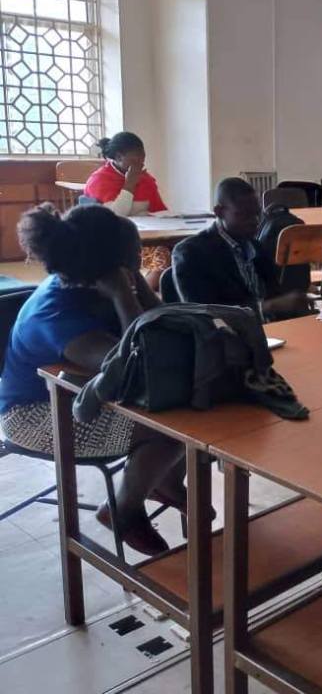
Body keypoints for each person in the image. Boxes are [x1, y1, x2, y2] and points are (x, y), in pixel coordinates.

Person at [0, 204, 184, 555]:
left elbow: (166, 328)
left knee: (195, 403)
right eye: (133, 258)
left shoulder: (86, 282)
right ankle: (122, 509)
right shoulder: (56, 313)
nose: (140, 262)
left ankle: (161, 481)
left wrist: (140, 290)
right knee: (174, 425)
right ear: (109, 267)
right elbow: (138, 366)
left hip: (80, 393)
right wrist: (124, 296)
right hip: (35, 414)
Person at [172, 178, 310, 321]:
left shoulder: (256, 247)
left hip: (269, 330)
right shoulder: (192, 253)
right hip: (226, 334)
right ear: (219, 212)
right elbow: (205, 315)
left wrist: (293, 304)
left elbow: (274, 294)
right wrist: (268, 307)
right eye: (245, 214)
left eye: (257, 214)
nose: (255, 221)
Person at [85, 132, 170, 290]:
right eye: (135, 160)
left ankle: (147, 291)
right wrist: (129, 184)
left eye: (143, 159)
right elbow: (116, 216)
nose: (141, 164)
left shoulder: (145, 179)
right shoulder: (100, 180)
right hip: (114, 243)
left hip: (146, 238)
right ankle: (140, 294)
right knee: (162, 257)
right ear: (119, 157)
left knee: (177, 249)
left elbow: (160, 212)